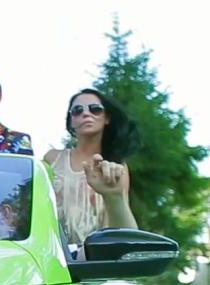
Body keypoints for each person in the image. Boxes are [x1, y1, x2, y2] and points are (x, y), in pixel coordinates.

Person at [43, 88, 140, 246]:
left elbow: (126, 233)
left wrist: (114, 196)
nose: (86, 114)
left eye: (95, 109)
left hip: (95, 256)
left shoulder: (116, 168)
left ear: (106, 118)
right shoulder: (52, 159)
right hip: (52, 252)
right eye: (77, 110)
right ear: (71, 121)